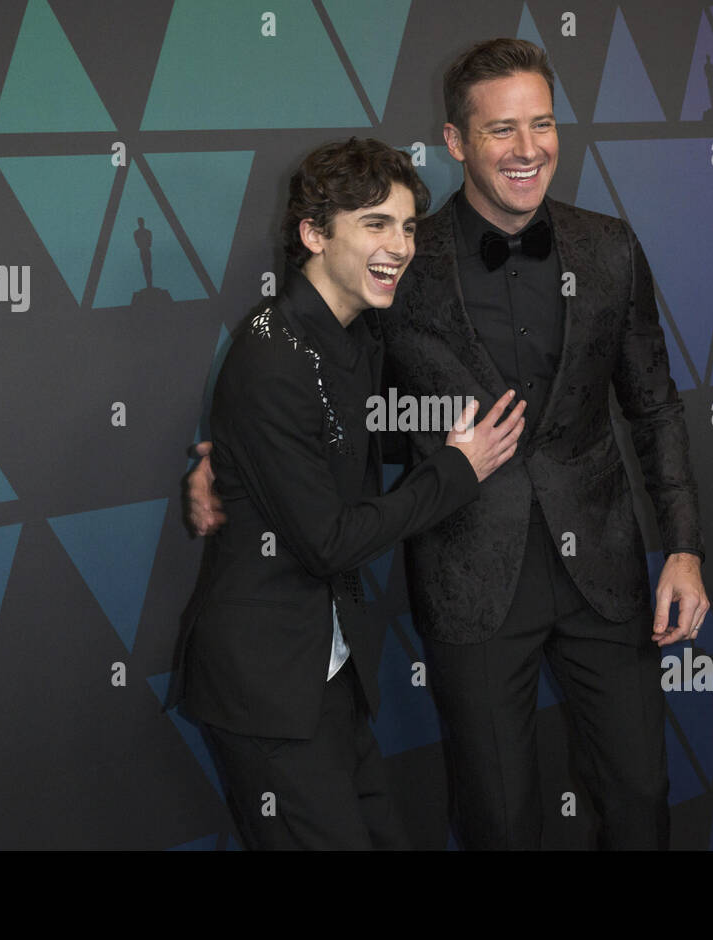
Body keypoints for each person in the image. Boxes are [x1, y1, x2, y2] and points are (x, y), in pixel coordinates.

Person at [188, 39, 710, 850]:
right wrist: (228, 459)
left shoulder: (608, 247)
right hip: (469, 580)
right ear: (458, 141)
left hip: (605, 571)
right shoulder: (396, 260)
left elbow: (656, 405)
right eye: (502, 129)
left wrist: (682, 547)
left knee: (641, 799)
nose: (527, 148)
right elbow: (338, 399)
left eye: (542, 124)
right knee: (498, 819)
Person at [167, 137, 525, 850]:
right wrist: (459, 468)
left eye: (407, 225)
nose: (400, 245)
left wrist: (225, 460)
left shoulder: (353, 333)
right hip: (268, 690)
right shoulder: (271, 356)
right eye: (375, 224)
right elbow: (329, 542)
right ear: (313, 233)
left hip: (327, 674)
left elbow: (357, 443)